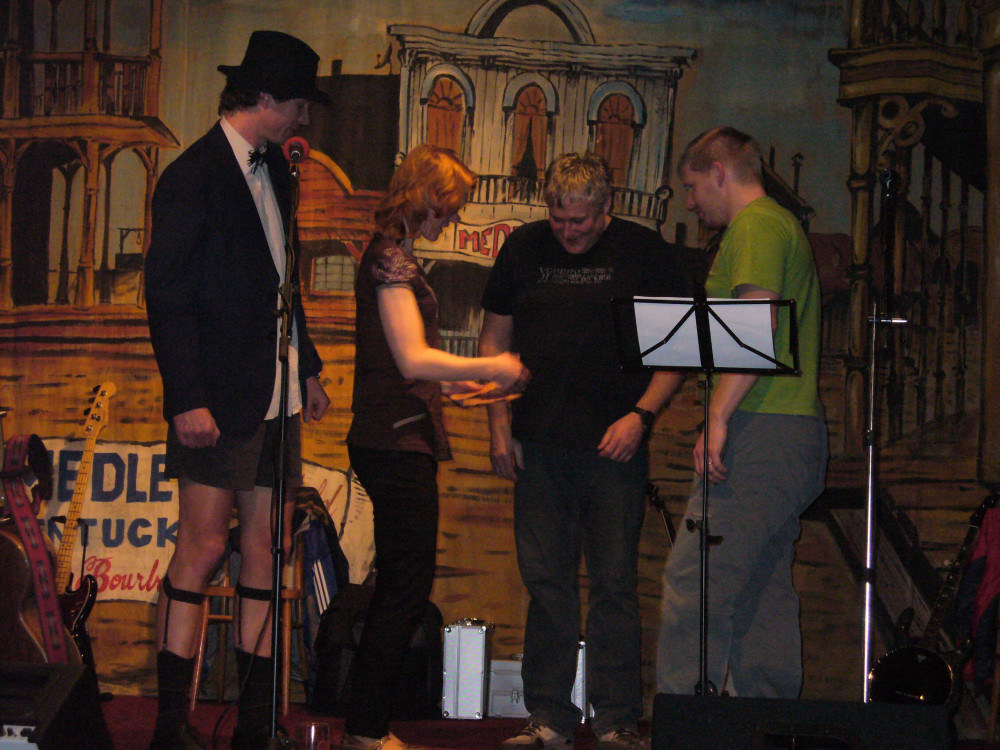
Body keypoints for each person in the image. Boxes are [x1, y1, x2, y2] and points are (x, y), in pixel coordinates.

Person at [144, 30, 332, 750]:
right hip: (217, 396)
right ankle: (170, 724)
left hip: (276, 390)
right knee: (200, 545)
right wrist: (185, 397)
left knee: (267, 544)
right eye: (298, 105)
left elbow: (284, 281)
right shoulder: (192, 176)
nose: (303, 120)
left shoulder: (278, 170)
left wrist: (307, 366)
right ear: (265, 98)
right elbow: (166, 296)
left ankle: (255, 723)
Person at [479, 152, 687, 750]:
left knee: (615, 584)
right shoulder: (522, 248)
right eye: (558, 219)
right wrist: (498, 425)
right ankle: (548, 716)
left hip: (616, 447)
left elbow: (676, 350)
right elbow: (494, 342)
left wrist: (641, 417)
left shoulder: (644, 252)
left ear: (607, 207)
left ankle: (616, 719)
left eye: (579, 221)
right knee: (546, 585)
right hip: (537, 444)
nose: (567, 232)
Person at [340, 144, 529, 750]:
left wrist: (463, 385)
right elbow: (412, 359)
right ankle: (365, 731)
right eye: (448, 208)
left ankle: (366, 728)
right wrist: (492, 365)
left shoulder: (393, 258)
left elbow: (410, 366)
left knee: (402, 584)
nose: (451, 220)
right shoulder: (391, 261)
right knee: (404, 588)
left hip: (395, 436)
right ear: (425, 199)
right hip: (394, 441)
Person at [655, 126, 828, 699]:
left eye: (691, 186)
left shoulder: (755, 225)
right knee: (760, 591)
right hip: (787, 432)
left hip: (762, 429)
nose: (688, 201)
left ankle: (686, 726)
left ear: (719, 172)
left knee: (695, 581)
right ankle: (765, 726)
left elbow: (757, 327)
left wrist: (718, 417)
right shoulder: (777, 224)